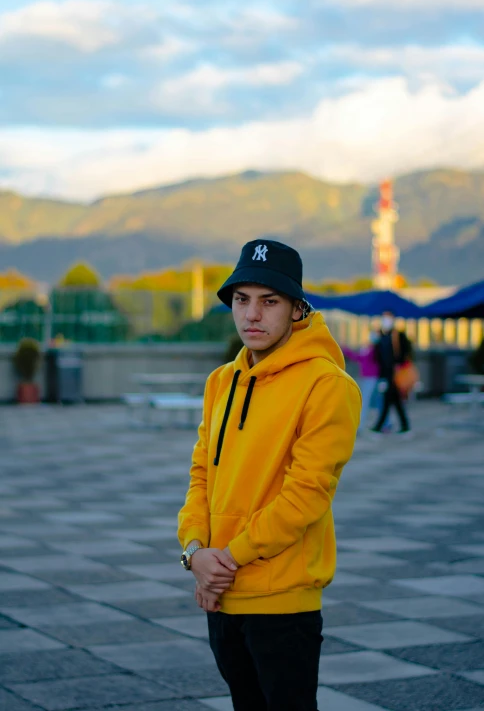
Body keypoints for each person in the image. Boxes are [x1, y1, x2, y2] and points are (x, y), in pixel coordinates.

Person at [178, 239, 361, 711]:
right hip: (220, 594)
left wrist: (226, 560)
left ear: (297, 308)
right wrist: (195, 552)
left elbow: (306, 496)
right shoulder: (221, 381)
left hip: (282, 602)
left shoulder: (328, 385)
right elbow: (202, 474)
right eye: (242, 299)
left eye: (269, 301)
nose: (252, 315)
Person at [371, 311, 413, 434]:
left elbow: (406, 352)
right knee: (394, 400)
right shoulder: (381, 336)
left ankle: (379, 426)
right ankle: (404, 426)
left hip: (396, 373)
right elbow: (379, 356)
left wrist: (399, 364)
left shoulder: (398, 335)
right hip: (386, 374)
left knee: (388, 399)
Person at [342, 331, 384, 430]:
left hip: (372, 378)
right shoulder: (368, 349)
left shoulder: (376, 349)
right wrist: (346, 350)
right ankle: (384, 424)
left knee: (368, 401)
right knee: (377, 401)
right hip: (367, 377)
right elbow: (358, 358)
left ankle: (361, 425)